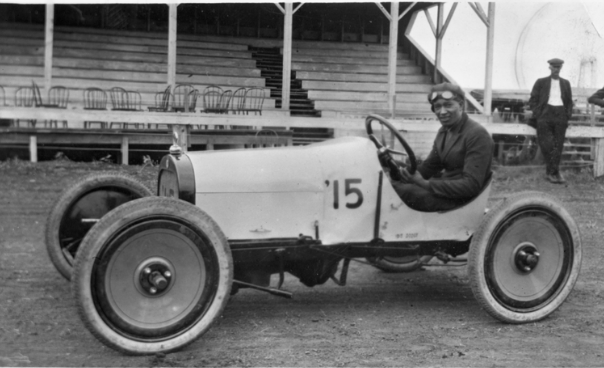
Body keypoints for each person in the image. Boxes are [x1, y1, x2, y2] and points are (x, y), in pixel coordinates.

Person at [391, 82, 494, 212]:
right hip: (445, 192)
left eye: (448, 105)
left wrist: (425, 184)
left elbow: (471, 185)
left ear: (461, 105)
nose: (442, 112)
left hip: (462, 200)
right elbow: (428, 167)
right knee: (392, 186)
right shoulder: (444, 131)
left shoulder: (477, 135)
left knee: (402, 192)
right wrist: (399, 168)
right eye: (437, 106)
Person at [528, 58, 573, 184]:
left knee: (558, 145)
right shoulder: (541, 82)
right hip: (545, 115)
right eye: (554, 67)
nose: (556, 70)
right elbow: (533, 100)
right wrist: (539, 114)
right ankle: (553, 172)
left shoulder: (565, 83)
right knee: (547, 144)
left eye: (558, 67)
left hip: (560, 115)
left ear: (561, 68)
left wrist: (567, 115)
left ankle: (553, 173)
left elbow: (569, 102)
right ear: (550, 68)